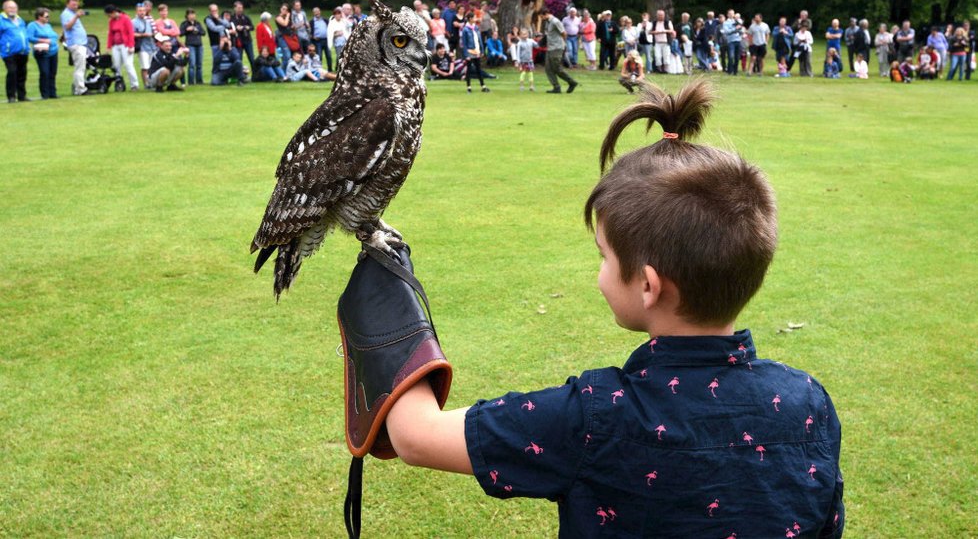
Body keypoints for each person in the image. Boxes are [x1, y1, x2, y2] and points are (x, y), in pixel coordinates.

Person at [340, 81, 844, 538]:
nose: (600, 273)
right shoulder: (809, 405)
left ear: (648, 286)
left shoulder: (594, 418)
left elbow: (417, 436)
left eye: (604, 255)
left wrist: (386, 306)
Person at [541, 7, 578, 94]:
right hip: (550, 48)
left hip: (557, 48)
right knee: (548, 68)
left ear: (546, 14)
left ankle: (572, 82)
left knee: (557, 68)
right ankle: (556, 87)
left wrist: (563, 45)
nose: (541, 19)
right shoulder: (547, 22)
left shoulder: (555, 21)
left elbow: (564, 33)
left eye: (541, 16)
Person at [26, 7, 59, 99]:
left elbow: (54, 36)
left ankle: (53, 93)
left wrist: (53, 40)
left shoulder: (48, 25)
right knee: (44, 72)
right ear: (39, 17)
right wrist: (43, 40)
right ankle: (45, 94)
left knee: (53, 72)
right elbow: (29, 37)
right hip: (42, 51)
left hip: (53, 51)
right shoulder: (32, 25)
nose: (48, 18)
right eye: (46, 16)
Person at [1, 0, 31, 103]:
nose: (12, 9)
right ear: (4, 9)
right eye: (10, 7)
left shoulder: (20, 20)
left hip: (22, 51)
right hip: (9, 52)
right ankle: (11, 96)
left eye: (14, 7)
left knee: (22, 73)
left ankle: (22, 96)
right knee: (12, 72)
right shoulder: (1, 20)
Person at [104, 5, 139, 91]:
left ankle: (134, 84)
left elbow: (130, 33)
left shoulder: (125, 18)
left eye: (109, 15)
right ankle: (119, 83)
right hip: (116, 45)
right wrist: (109, 46)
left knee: (128, 64)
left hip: (125, 45)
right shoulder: (111, 21)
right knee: (116, 65)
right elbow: (110, 34)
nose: (109, 17)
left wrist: (131, 45)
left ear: (113, 12)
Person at [60, 0, 90, 96]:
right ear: (67, 4)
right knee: (80, 68)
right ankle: (81, 89)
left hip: (81, 43)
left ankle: (77, 89)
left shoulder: (72, 14)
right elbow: (67, 26)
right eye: (73, 4)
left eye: (77, 4)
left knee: (81, 67)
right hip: (76, 44)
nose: (75, 6)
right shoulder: (66, 14)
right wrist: (76, 16)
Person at [460, 12, 489, 93]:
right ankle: (468, 87)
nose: (475, 19)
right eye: (474, 18)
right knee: (469, 69)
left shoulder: (476, 28)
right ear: (470, 19)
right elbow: (464, 43)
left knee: (478, 69)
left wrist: (482, 50)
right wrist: (466, 55)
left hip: (477, 51)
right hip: (470, 51)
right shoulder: (465, 29)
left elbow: (479, 40)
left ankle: (483, 86)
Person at [133, 3, 156, 88]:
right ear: (136, 11)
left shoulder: (148, 21)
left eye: (143, 10)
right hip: (142, 47)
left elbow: (153, 32)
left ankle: (151, 82)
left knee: (151, 66)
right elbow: (131, 34)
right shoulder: (134, 22)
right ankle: (146, 84)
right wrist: (143, 35)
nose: (142, 12)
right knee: (145, 66)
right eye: (140, 11)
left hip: (151, 46)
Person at [180, 9, 206, 86]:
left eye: (193, 14)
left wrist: (197, 30)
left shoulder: (197, 23)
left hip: (199, 44)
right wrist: (187, 30)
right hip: (190, 45)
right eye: (190, 14)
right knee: (192, 64)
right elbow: (180, 33)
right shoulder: (184, 24)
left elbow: (203, 32)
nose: (192, 16)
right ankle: (191, 82)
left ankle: (199, 81)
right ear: (187, 16)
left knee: (199, 64)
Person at [232, 1, 255, 70]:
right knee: (239, 59)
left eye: (241, 8)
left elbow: (252, 27)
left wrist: (247, 27)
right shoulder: (232, 18)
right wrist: (236, 28)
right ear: (235, 8)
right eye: (238, 8)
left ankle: (255, 75)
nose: (240, 9)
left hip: (247, 40)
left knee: (251, 58)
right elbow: (230, 26)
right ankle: (240, 76)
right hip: (238, 41)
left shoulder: (246, 17)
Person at [651, 10, 675, 74]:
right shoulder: (654, 23)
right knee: (657, 56)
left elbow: (672, 31)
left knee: (666, 56)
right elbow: (650, 32)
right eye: (659, 15)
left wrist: (664, 31)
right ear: (657, 15)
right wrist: (655, 32)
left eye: (661, 15)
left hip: (666, 42)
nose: (660, 16)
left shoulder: (668, 22)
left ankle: (665, 69)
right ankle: (659, 69)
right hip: (657, 42)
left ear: (664, 15)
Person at [721, 10, 743, 75]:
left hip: (738, 40)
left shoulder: (737, 21)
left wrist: (740, 30)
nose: (731, 15)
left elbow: (741, 29)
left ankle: (735, 71)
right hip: (731, 41)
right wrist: (735, 29)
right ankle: (729, 71)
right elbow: (727, 31)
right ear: (727, 15)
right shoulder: (726, 23)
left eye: (732, 13)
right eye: (730, 14)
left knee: (737, 57)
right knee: (731, 56)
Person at [311, 6, 331, 72]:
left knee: (328, 55)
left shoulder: (325, 20)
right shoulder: (312, 22)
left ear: (320, 12)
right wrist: (313, 37)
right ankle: (320, 70)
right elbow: (309, 31)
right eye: (315, 12)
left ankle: (330, 69)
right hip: (318, 41)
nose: (317, 13)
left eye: (318, 11)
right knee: (319, 56)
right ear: (313, 13)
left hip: (326, 40)